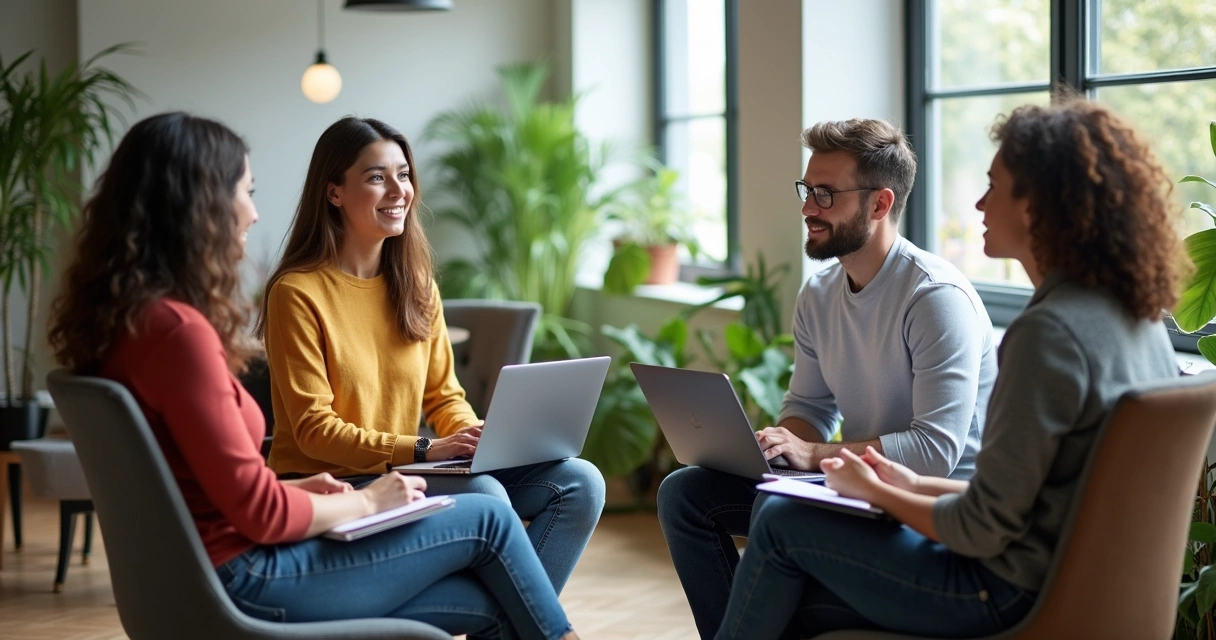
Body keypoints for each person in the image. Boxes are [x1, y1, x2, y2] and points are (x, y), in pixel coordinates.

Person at [46, 111, 580, 640]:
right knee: (488, 518)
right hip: (248, 575)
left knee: (502, 584)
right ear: (199, 205)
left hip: (215, 566)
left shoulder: (136, 326)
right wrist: (369, 499)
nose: (253, 214)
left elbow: (228, 491)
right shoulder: (180, 334)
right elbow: (260, 510)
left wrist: (312, 489)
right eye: (245, 191)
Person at [714, 97, 1185, 639]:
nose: (980, 203)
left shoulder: (1047, 333)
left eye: (995, 186)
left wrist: (883, 493)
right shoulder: (1134, 313)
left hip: (1004, 590)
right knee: (769, 542)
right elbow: (1028, 501)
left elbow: (982, 528)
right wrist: (907, 482)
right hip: (1085, 584)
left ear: (1038, 206)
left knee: (781, 530)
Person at [658, 117, 998, 638]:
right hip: (855, 484)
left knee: (777, 511)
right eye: (807, 190)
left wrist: (816, 456)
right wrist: (782, 444)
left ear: (880, 204)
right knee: (685, 494)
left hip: (928, 503)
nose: (807, 208)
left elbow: (936, 450)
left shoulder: (935, 299)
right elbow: (812, 409)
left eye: (825, 194)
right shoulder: (819, 294)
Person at [256, 116, 605, 594]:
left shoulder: (417, 286)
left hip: (413, 468)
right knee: (484, 495)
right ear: (333, 191)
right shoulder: (297, 293)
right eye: (377, 177)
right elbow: (315, 431)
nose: (399, 190)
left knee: (581, 482)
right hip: (337, 483)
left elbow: (444, 396)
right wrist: (425, 450)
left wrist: (470, 436)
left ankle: (504, 627)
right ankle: (522, 623)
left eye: (403, 174)